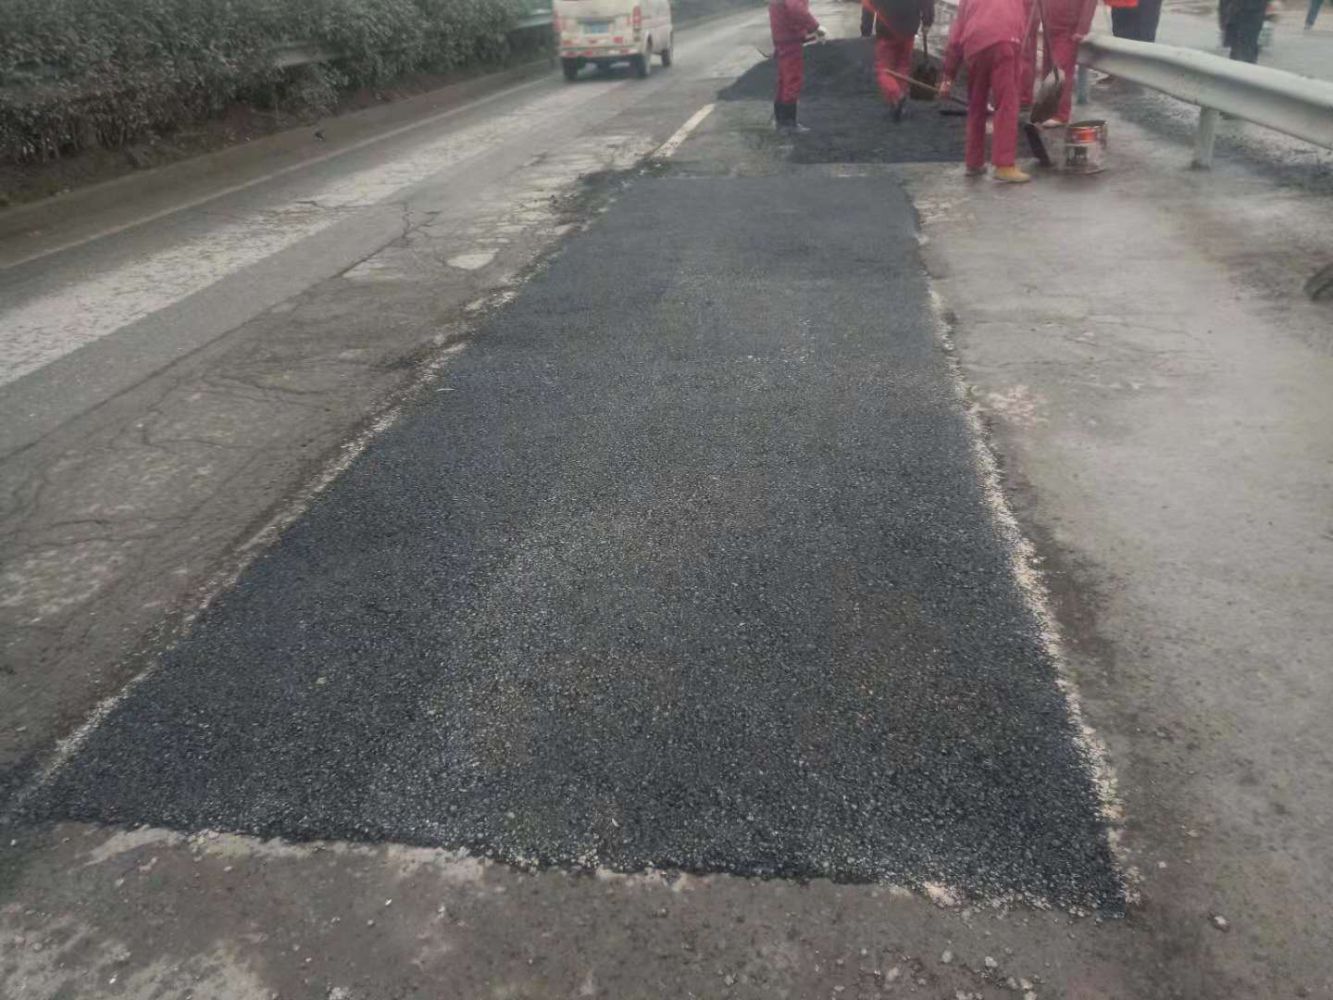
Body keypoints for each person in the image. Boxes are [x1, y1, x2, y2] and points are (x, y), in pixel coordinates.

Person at [940, 0, 1031, 182]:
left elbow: (956, 35)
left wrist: (948, 77)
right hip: (1005, 40)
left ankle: (973, 162)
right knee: (1006, 104)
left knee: (976, 105)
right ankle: (1004, 165)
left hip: (974, 45)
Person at [862, 0, 936, 121]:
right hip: (909, 29)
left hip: (886, 29)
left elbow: (868, 5)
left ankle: (896, 96)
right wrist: (927, 21)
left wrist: (866, 31)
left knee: (883, 69)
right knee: (903, 65)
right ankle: (899, 103)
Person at [769, 0, 825, 130]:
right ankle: (788, 123)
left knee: (784, 80)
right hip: (789, 39)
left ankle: (780, 119)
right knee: (792, 80)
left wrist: (808, 34)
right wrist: (816, 27)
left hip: (782, 37)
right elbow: (796, 9)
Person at [1039, 0, 1097, 125]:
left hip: (1067, 28)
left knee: (1061, 69)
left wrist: (1082, 29)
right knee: (1048, 69)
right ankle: (1048, 110)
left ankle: (1061, 114)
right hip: (1050, 24)